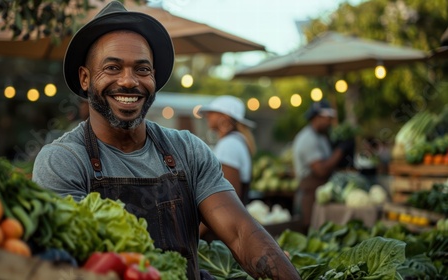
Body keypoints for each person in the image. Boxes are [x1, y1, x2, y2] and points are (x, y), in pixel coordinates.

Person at [31, 1, 301, 279]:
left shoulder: (188, 150)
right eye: (112, 68)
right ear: (85, 78)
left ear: (154, 78)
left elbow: (241, 234)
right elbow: (72, 264)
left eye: (142, 69)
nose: (128, 81)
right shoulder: (63, 161)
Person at [292, 100, 354, 232]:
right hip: (310, 195)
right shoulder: (308, 139)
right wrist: (340, 150)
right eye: (328, 118)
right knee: (311, 231)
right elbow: (321, 170)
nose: (330, 122)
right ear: (317, 117)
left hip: (319, 193)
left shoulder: (321, 137)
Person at [199, 95, 256, 205]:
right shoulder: (233, 141)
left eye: (212, 112)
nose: (208, 115)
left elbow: (229, 197)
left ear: (224, 116)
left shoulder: (230, 144)